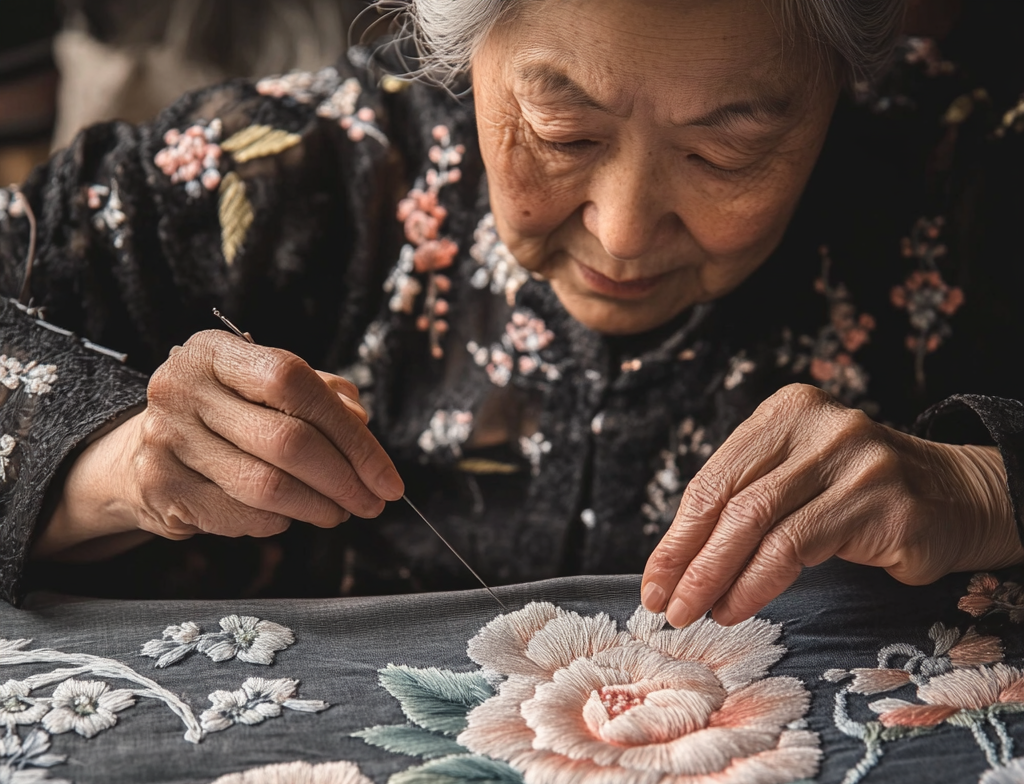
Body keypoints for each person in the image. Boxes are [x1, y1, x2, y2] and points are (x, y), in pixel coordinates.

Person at [1, 0, 1022, 622]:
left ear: (837, 86)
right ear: (465, 54)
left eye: (724, 152)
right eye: (561, 130)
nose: (621, 231)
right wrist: (118, 469)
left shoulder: (966, 179)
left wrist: (986, 484)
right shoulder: (289, 175)